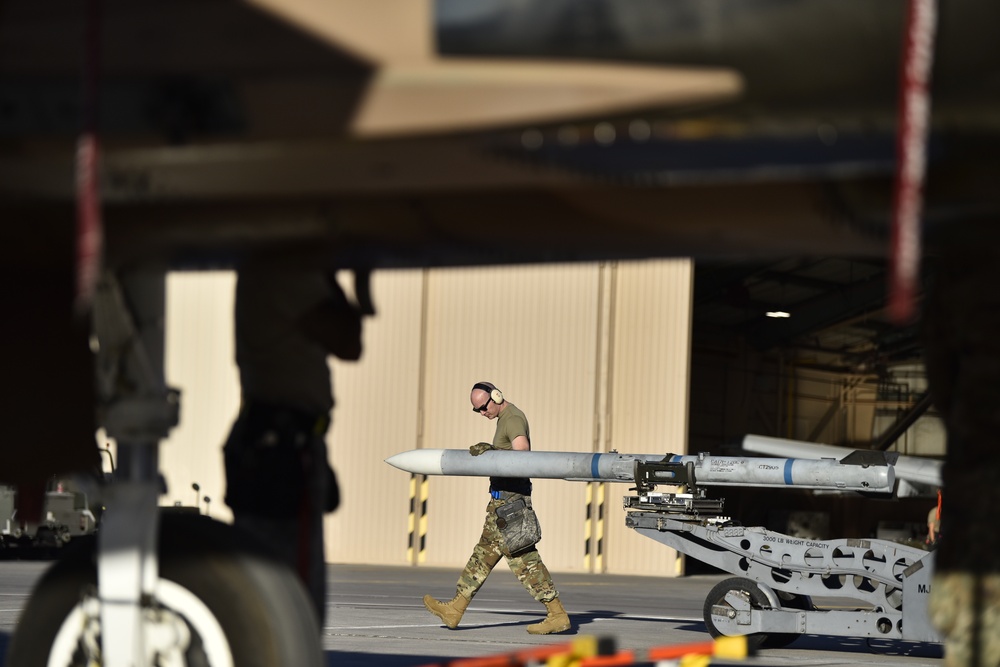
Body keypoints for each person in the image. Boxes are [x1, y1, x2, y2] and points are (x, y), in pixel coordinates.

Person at [223, 259, 363, 625]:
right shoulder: (287, 268)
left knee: (281, 593)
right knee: (292, 600)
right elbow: (348, 342)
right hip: (282, 448)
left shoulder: (274, 268)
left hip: (279, 442)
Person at [422, 381, 571, 634]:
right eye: (476, 410)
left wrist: (493, 453)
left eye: (483, 407)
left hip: (511, 505)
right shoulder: (504, 419)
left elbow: (522, 455)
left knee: (524, 559)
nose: (482, 413)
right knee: (483, 555)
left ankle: (557, 613)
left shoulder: (512, 418)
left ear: (496, 396)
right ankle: (455, 609)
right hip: (502, 504)